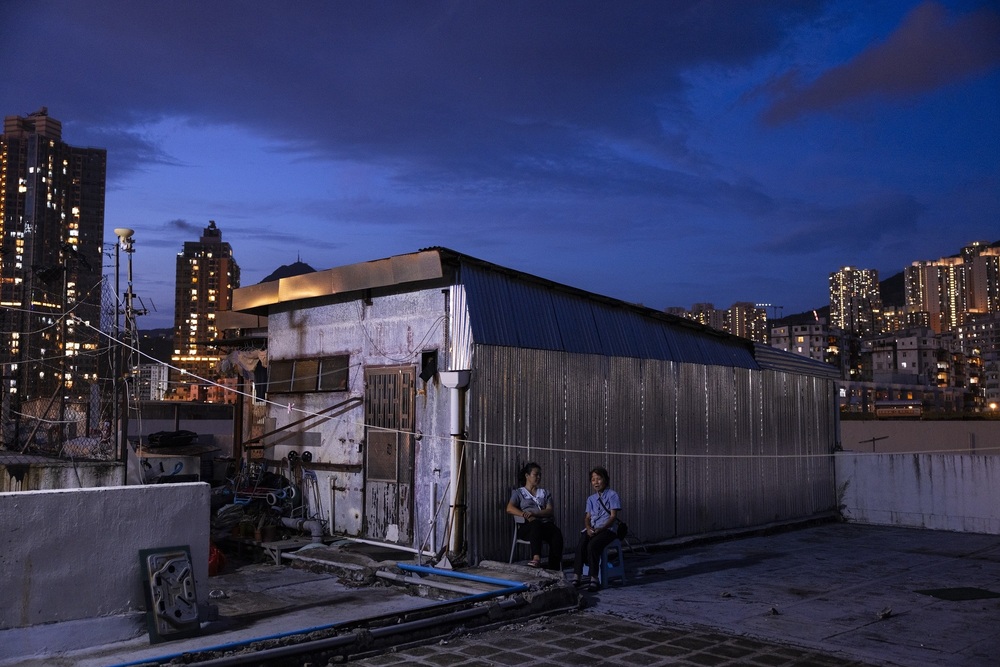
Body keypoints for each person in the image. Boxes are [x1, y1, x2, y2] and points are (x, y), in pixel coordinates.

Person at [572, 466, 622, 591]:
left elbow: (613, 517)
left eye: (599, 479)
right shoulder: (590, 499)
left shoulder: (612, 495)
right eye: (593, 479)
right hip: (593, 529)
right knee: (581, 544)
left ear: (605, 480)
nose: (596, 482)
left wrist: (601, 529)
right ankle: (576, 576)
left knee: (592, 545)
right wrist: (588, 528)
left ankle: (594, 578)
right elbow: (587, 517)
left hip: (608, 530)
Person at [506, 462, 564, 570]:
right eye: (535, 474)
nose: (538, 477)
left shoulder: (545, 493)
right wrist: (525, 514)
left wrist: (535, 513)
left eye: (540, 475)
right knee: (535, 523)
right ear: (527, 476)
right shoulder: (519, 493)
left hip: (544, 526)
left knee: (556, 533)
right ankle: (536, 558)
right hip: (528, 528)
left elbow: (550, 510)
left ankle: (554, 569)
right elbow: (509, 508)